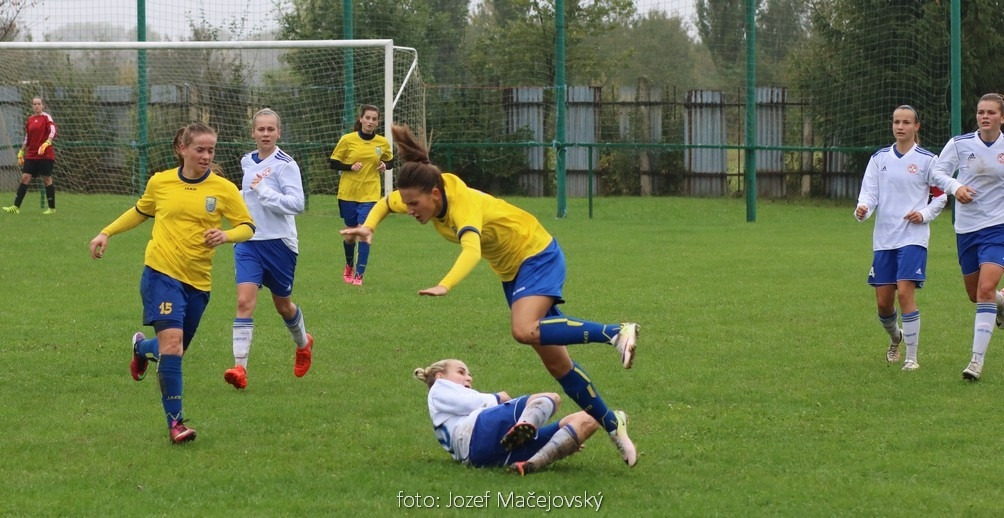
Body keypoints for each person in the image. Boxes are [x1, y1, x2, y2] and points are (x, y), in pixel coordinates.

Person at [341, 124, 640, 467]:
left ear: (435, 194)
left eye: (414, 204)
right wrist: (369, 226)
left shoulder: (463, 206)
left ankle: (616, 332)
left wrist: (446, 284)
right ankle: (613, 425)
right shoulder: (421, 195)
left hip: (535, 253)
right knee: (558, 364)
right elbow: (385, 202)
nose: (409, 209)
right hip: (513, 272)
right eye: (407, 203)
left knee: (523, 330)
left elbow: (471, 250)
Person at [89, 122, 255, 443]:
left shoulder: (223, 189)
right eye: (200, 149)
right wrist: (106, 232)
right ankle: (176, 424)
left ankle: (141, 348)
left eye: (211, 150)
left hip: (199, 282)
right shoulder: (161, 182)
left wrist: (226, 235)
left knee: (173, 351)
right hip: (161, 273)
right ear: (183, 149)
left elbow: (247, 226)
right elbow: (140, 211)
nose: (206, 156)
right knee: (172, 346)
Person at [223, 109, 313, 390]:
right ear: (253, 132)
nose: (265, 134)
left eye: (270, 129)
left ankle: (303, 343)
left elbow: (297, 204)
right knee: (244, 302)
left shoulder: (286, 165)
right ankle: (240, 368)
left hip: (279, 244)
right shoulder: (246, 161)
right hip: (248, 240)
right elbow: (247, 197)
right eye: (260, 129)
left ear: (278, 133)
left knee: (283, 306)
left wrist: (264, 191)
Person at [854, 105, 947, 371]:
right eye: (896, 122)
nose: (900, 127)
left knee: (905, 293)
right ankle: (896, 337)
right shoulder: (879, 159)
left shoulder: (928, 160)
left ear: (916, 126)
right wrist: (863, 208)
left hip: (913, 238)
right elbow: (869, 194)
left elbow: (941, 196)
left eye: (906, 122)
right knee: (884, 303)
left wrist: (923, 214)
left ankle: (911, 358)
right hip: (884, 239)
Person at [414, 358, 600, 475]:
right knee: (551, 398)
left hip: (485, 457)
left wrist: (565, 441)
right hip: (477, 433)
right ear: (440, 376)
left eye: (468, 374)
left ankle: (534, 462)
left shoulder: (448, 408)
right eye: (461, 372)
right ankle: (524, 426)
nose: (468, 377)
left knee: (591, 418)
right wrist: (497, 398)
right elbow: (469, 402)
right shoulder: (438, 388)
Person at [929, 93, 1004, 381]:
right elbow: (937, 172)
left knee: (985, 288)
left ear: (1001, 117)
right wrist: (955, 187)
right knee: (976, 295)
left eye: (991, 112)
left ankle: (976, 361)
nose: (985, 116)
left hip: (998, 227)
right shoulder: (960, 144)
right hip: (967, 229)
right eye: (981, 112)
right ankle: (1001, 303)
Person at [329, 104, 394, 286]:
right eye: (367, 118)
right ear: (361, 119)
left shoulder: (382, 143)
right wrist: (350, 166)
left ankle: (359, 275)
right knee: (350, 235)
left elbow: (390, 161)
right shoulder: (347, 139)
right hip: (348, 194)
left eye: (374, 119)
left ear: (377, 122)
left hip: (370, 194)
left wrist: (385, 165)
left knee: (364, 232)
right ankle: (349, 265)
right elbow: (333, 163)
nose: (370, 122)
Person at [4, 97, 57, 215]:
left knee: (47, 179)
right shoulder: (30, 119)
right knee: (25, 178)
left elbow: (53, 130)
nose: (37, 106)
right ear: (32, 106)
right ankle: (15, 207)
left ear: (43, 106)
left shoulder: (46, 117)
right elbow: (27, 137)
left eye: (39, 104)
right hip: (32, 154)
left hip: (45, 154)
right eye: (34, 104)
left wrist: (47, 142)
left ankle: (52, 209)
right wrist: (21, 151)